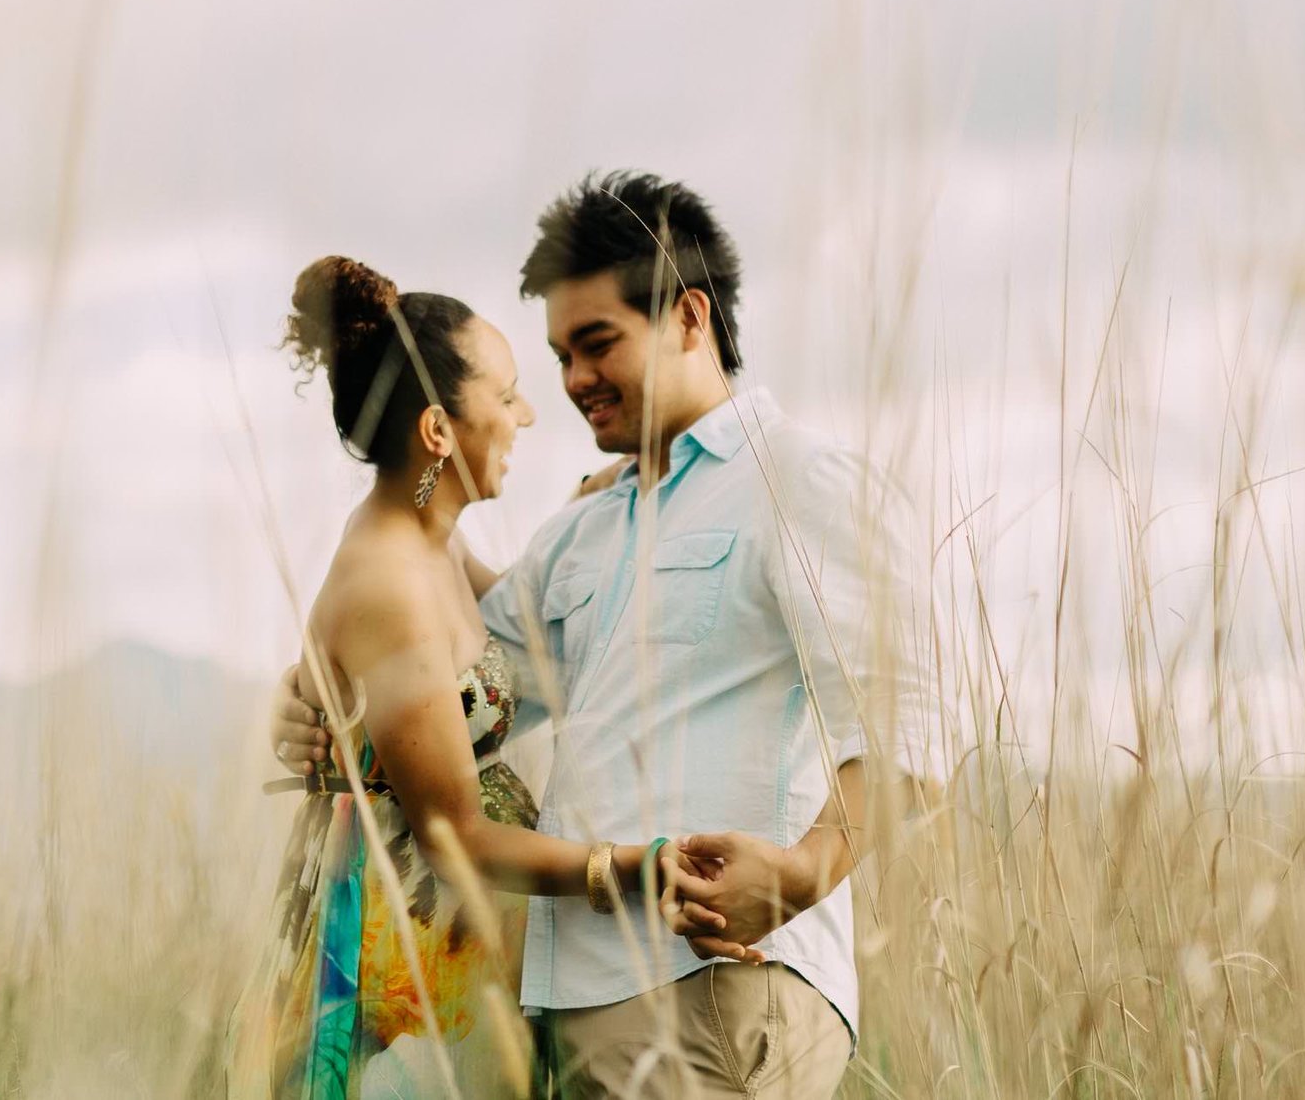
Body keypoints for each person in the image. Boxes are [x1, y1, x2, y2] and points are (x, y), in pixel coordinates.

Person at [272, 174, 931, 1099]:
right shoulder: (584, 532)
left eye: (597, 344)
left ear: (690, 318)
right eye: (558, 355)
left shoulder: (798, 482)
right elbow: (456, 674)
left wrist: (801, 872)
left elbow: (904, 724)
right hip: (557, 1005)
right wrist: (316, 695)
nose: (574, 381)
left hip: (715, 984)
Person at [263, 254, 725, 1100]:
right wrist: (636, 866)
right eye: (506, 393)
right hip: (396, 967)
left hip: (452, 954)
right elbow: (453, 835)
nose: (525, 413)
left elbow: (520, 619)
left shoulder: (432, 544)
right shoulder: (388, 581)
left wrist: (606, 497)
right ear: (439, 430)